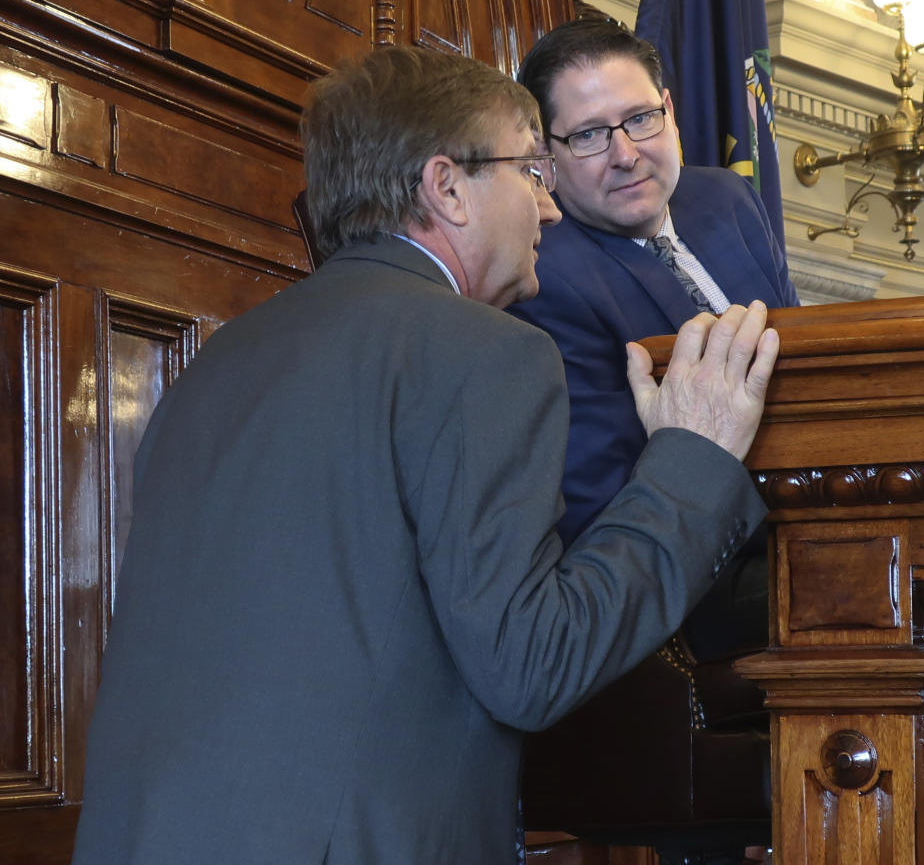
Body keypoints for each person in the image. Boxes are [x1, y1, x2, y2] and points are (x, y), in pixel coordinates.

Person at [69, 45, 778, 865]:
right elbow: (534, 662)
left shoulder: (212, 364)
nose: (548, 210)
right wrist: (690, 454)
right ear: (446, 186)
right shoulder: (484, 352)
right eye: (531, 171)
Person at [510, 17, 800, 546]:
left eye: (640, 118)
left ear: (669, 110)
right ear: (545, 159)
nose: (625, 155)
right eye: (589, 135)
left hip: (818, 502)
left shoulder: (728, 199)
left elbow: (806, 362)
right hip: (705, 561)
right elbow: (600, 496)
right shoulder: (541, 277)